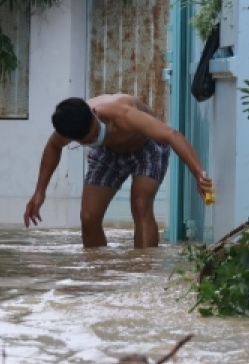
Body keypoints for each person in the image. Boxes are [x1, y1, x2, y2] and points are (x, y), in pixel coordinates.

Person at [24, 94, 213, 248]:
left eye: (95, 133)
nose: (93, 139)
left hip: (146, 145)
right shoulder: (68, 127)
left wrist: (198, 173)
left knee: (141, 204)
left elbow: (171, 135)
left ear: (94, 114)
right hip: (108, 153)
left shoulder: (122, 114)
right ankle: (98, 275)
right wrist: (40, 192)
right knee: (88, 216)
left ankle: (143, 271)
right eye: (87, 141)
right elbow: (53, 147)